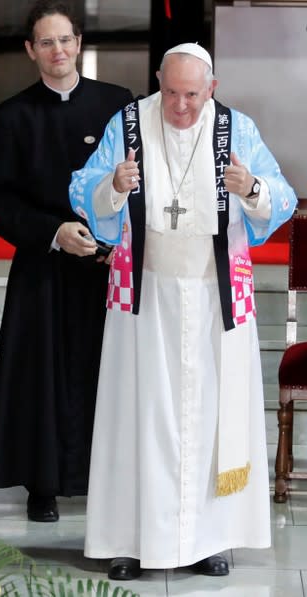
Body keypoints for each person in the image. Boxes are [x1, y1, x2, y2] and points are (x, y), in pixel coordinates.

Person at [69, 43, 296, 580]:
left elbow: (282, 196)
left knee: (211, 419)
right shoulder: (126, 124)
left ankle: (208, 539)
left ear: (211, 88)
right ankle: (127, 539)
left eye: (192, 95)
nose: (180, 106)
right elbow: (83, 187)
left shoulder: (237, 130)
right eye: (170, 92)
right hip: (144, 296)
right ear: (158, 81)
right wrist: (112, 188)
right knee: (138, 417)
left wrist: (253, 189)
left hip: (215, 295)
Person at [0, 1, 132, 524]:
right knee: (39, 377)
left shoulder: (118, 105)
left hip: (108, 266)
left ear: (79, 43)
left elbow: (138, 181)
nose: (57, 51)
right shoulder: (10, 116)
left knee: (104, 371)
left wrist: (114, 237)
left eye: (65, 40)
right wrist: (54, 232)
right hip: (44, 264)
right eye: (45, 42)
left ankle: (101, 478)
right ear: (30, 50)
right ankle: (41, 483)